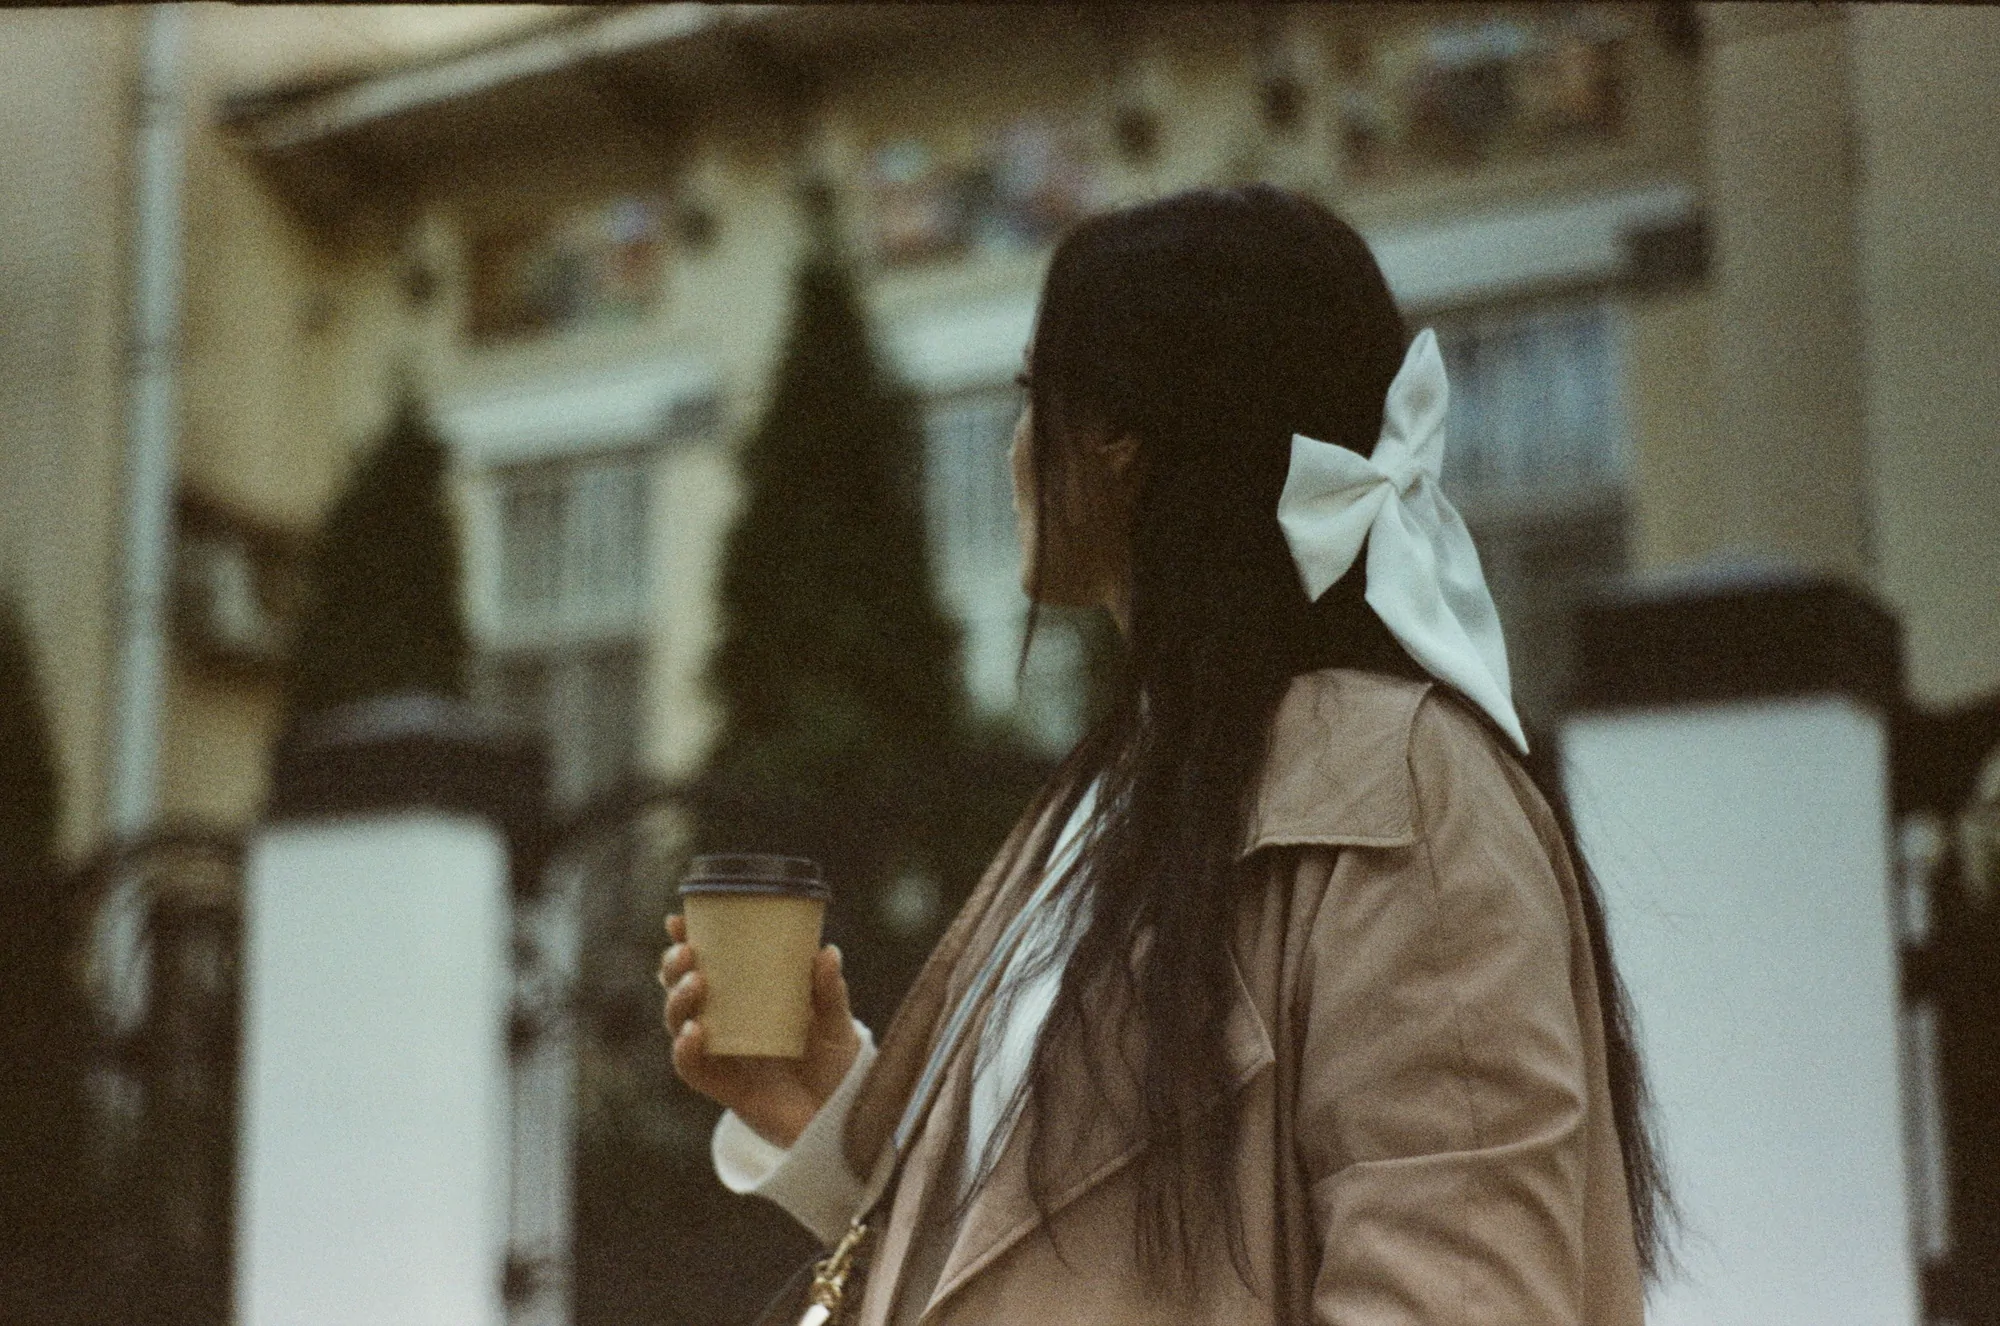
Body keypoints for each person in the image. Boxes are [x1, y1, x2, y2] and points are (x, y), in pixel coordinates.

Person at [661, 185, 1668, 1325]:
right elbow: (1069, 1250)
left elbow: (1464, 1292)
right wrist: (820, 1105)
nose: (1011, 451)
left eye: (1029, 399)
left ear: (1120, 442)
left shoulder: (1403, 797)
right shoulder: (1119, 794)